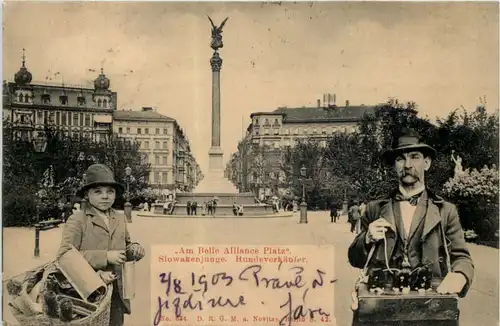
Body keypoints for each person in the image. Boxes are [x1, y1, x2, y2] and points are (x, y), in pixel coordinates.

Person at [348, 129, 474, 303]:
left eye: (414, 157)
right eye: (400, 159)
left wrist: (460, 276)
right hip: (382, 305)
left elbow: (462, 257)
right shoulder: (374, 209)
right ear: (394, 166)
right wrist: (367, 238)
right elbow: (355, 259)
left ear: (427, 163)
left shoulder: (446, 211)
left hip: (431, 303)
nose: (407, 165)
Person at [57, 164, 145, 326]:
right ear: (87, 195)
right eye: (98, 192)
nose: (105, 196)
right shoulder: (78, 220)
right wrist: (105, 256)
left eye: (110, 191)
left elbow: (125, 247)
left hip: (117, 293)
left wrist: (133, 250)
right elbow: (65, 257)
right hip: (88, 294)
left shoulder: (119, 218)